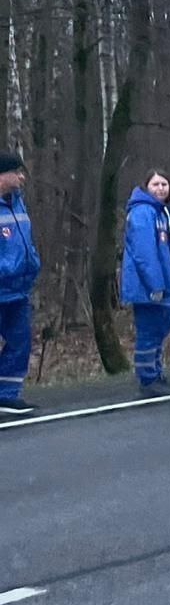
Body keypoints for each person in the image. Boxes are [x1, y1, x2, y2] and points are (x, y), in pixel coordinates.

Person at [122, 169, 170, 392]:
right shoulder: (142, 213)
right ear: (146, 187)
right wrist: (155, 284)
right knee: (149, 331)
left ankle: (156, 371)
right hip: (147, 285)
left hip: (165, 283)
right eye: (155, 184)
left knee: (161, 328)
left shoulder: (164, 212)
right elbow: (144, 253)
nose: (161, 188)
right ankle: (147, 378)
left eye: (164, 184)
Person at [0, 151, 40, 415]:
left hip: (18, 289)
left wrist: (32, 262)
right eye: (17, 172)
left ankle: (7, 395)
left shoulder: (18, 203)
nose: (22, 177)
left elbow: (25, 241)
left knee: (20, 340)